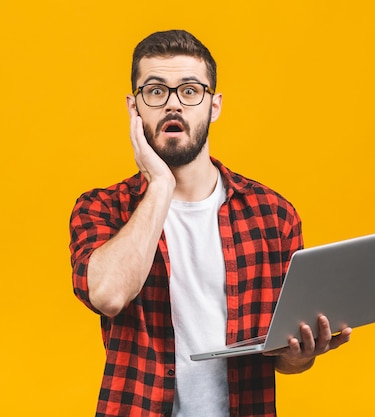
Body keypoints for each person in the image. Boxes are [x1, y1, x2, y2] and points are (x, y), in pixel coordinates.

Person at [69, 29, 352, 417]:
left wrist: (301, 354)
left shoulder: (273, 215)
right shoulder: (102, 209)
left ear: (214, 105)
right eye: (154, 91)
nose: (173, 105)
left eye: (189, 91)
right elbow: (108, 295)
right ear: (134, 107)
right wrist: (160, 184)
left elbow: (282, 358)